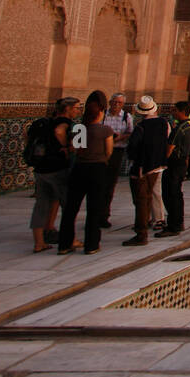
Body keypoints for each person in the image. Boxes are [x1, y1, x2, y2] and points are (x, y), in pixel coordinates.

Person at [57, 91, 114, 255]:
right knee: (94, 208)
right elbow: (109, 152)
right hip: (97, 169)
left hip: (79, 169)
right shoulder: (105, 130)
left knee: (71, 209)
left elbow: (76, 149)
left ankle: (64, 244)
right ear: (101, 112)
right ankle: (92, 244)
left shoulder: (80, 129)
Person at [27, 98, 77, 252]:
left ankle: (39, 242)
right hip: (57, 169)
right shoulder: (66, 123)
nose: (77, 111)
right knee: (67, 205)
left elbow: (27, 136)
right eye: (75, 108)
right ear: (67, 109)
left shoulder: (43, 122)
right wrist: (64, 147)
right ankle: (71, 240)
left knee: (41, 205)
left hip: (40, 169)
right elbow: (59, 131)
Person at [123, 96, 171, 246]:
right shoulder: (165, 124)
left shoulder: (141, 127)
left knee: (141, 200)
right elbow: (167, 140)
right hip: (158, 165)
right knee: (151, 194)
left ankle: (141, 233)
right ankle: (154, 219)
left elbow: (132, 148)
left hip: (142, 168)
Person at [159, 102, 190, 238]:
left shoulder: (180, 128)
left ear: (181, 111)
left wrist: (162, 162)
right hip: (182, 163)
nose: (173, 113)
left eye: (175, 110)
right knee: (177, 194)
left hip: (174, 163)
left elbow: (170, 148)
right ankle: (179, 222)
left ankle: (173, 225)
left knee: (170, 194)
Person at [104, 92, 134, 229]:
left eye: (119, 103)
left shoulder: (126, 117)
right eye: (114, 102)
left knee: (110, 184)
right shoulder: (103, 115)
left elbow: (130, 133)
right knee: (99, 184)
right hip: (102, 152)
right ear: (110, 102)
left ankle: (104, 215)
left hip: (117, 151)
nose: (116, 105)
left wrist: (118, 138)